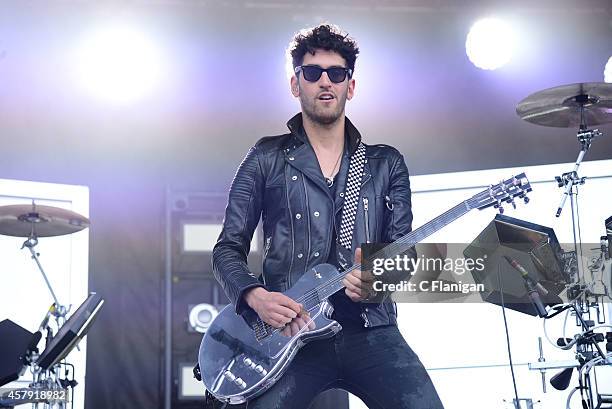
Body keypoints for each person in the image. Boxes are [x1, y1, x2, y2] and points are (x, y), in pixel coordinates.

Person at [212, 23, 443, 409]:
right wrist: (256, 297)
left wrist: (378, 281)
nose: (325, 82)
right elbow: (226, 249)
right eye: (312, 72)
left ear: (349, 86)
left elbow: (403, 253)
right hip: (290, 330)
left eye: (336, 73)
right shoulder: (266, 156)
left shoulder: (385, 163)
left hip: (371, 329)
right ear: (295, 83)